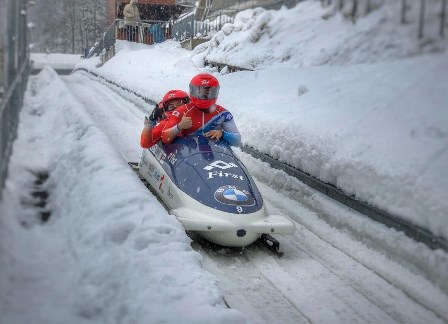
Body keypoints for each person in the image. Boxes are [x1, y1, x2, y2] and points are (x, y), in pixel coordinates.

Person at [160, 73, 241, 147]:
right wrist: (179, 127)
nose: (204, 96)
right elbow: (164, 137)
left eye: (208, 93)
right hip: (188, 151)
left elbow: (237, 141)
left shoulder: (223, 114)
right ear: (193, 91)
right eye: (200, 92)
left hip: (215, 151)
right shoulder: (180, 111)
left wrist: (222, 134)